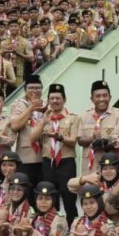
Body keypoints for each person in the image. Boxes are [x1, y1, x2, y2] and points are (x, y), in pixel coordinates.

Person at [32, 83, 81, 219]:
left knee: (69, 198)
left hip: (66, 163)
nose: (54, 101)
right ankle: (52, 229)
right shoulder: (43, 118)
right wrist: (43, 121)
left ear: (64, 100)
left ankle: (72, 230)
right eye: (51, 98)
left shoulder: (72, 118)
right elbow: (33, 138)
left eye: (58, 98)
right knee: (50, 199)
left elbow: (73, 141)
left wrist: (59, 137)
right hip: (48, 163)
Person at [77, 80, 119, 173]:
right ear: (92, 99)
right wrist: (93, 139)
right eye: (97, 96)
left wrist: (108, 143)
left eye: (105, 95)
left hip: (112, 165)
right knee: (89, 187)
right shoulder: (83, 116)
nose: (101, 99)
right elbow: (80, 140)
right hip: (90, 166)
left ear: (110, 97)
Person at [6, 74, 46, 184]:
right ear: (25, 90)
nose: (35, 90)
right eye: (31, 88)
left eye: (38, 87)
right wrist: (31, 108)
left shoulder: (47, 104)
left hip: (45, 155)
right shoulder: (19, 104)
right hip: (26, 156)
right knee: (26, 190)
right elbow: (15, 125)